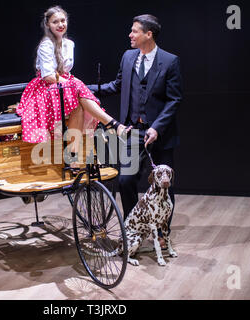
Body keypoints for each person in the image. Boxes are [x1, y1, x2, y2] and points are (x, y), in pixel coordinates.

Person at [89, 14, 182, 246]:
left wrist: (157, 128)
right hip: (132, 132)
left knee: (163, 186)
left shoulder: (170, 61)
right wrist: (82, 90)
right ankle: (135, 228)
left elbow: (174, 100)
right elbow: (118, 85)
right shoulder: (128, 57)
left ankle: (162, 233)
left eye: (134, 31)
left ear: (148, 34)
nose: (130, 35)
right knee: (126, 182)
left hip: (160, 135)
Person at [16, 5, 130, 170]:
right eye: (55, 22)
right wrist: (70, 83)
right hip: (45, 89)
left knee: (78, 107)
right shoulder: (46, 45)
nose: (60, 24)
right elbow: (48, 77)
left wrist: (70, 82)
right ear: (48, 25)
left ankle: (73, 155)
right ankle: (113, 124)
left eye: (63, 20)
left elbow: (67, 71)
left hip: (64, 86)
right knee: (76, 85)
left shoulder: (69, 44)